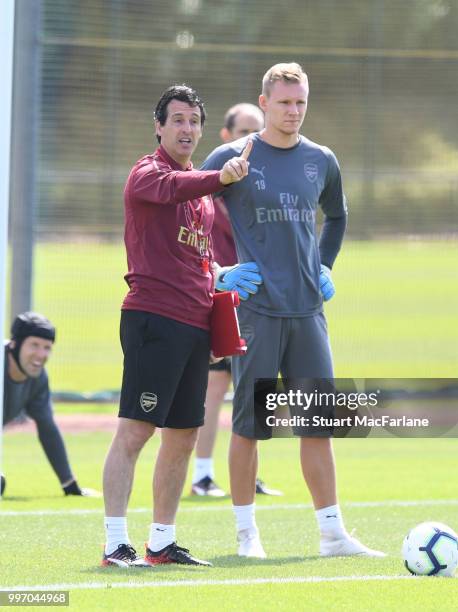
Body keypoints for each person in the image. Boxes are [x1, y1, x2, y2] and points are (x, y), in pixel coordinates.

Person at [202, 63, 386, 558]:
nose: (294, 111)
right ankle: (247, 537)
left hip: (308, 313)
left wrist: (323, 265)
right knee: (249, 427)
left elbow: (339, 216)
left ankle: (333, 535)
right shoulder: (232, 155)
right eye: (284, 102)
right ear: (264, 103)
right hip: (257, 312)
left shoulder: (321, 159)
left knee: (319, 425)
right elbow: (186, 213)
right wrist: (219, 272)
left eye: (301, 101)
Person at [101, 84, 254, 568]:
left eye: (193, 121)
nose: (187, 128)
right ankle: (114, 543)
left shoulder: (204, 198)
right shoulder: (148, 173)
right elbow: (171, 189)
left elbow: (200, 262)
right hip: (154, 317)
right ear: (160, 127)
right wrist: (220, 178)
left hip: (193, 323)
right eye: (178, 120)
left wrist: (220, 290)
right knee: (136, 430)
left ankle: (161, 542)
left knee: (185, 433)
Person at [191, 103, 282, 498]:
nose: (252, 138)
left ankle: (248, 472)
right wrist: (218, 277)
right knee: (214, 389)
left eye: (257, 131)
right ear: (226, 136)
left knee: (258, 389)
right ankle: (203, 474)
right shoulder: (214, 185)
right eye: (245, 130)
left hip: (258, 300)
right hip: (221, 293)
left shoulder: (266, 184)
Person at [2, 311, 99, 498]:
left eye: (47, 347)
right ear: (15, 344)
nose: (41, 354)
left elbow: (48, 429)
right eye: (34, 345)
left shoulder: (37, 379)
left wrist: (70, 485)